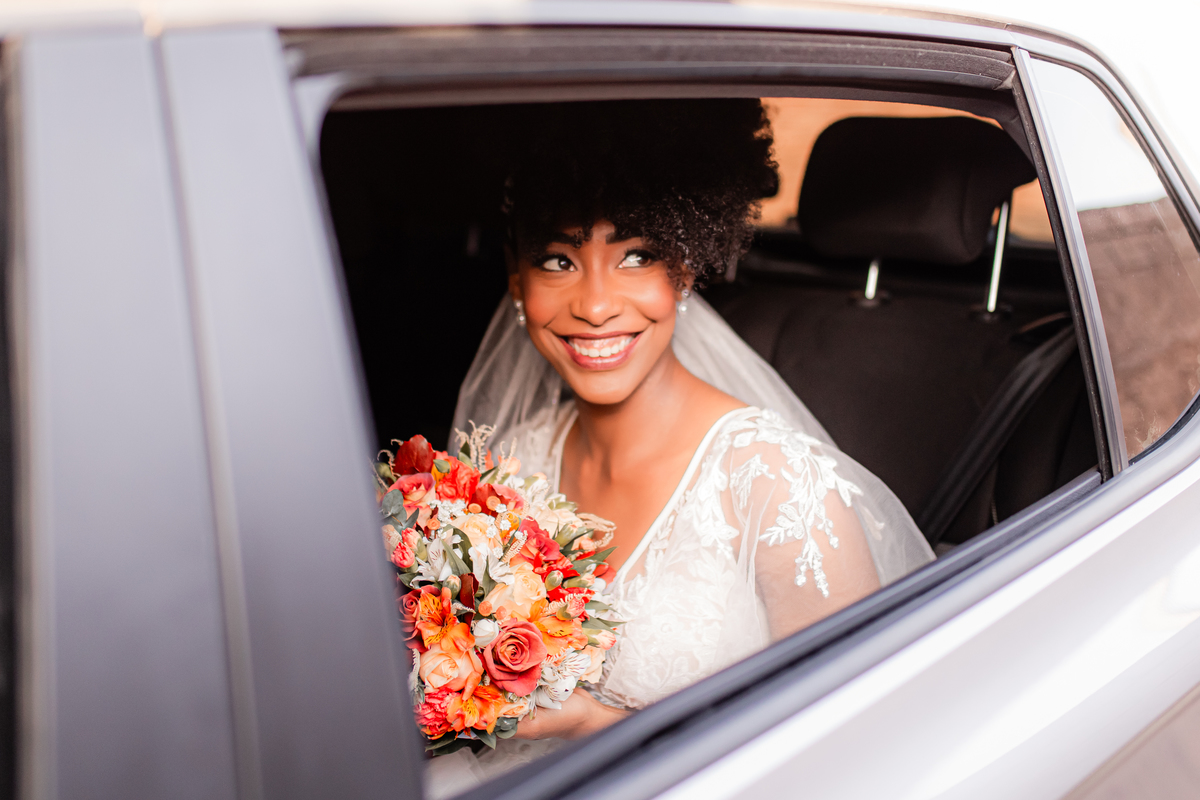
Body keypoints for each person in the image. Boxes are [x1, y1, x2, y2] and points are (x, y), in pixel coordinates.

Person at [436, 99, 933, 791]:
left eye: (637, 255)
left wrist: (591, 725)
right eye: (557, 260)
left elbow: (846, 749)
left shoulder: (778, 487)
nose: (597, 304)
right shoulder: (508, 465)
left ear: (687, 269)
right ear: (517, 283)